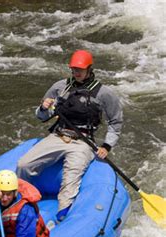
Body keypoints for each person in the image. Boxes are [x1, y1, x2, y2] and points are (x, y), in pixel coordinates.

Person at [17, 49, 123, 222]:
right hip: (58, 136)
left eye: (80, 69)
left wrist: (106, 146)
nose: (76, 72)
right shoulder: (60, 87)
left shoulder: (104, 93)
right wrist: (43, 108)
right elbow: (41, 117)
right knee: (23, 164)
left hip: (83, 141)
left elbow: (116, 123)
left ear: (90, 69)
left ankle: (63, 216)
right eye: (74, 69)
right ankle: (21, 201)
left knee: (71, 176)